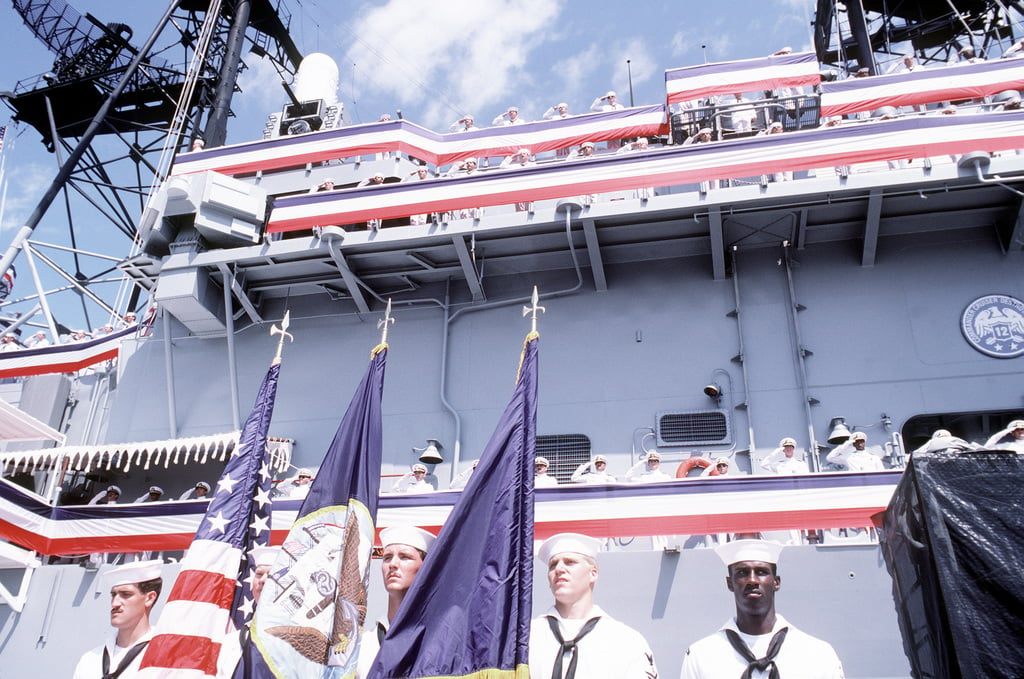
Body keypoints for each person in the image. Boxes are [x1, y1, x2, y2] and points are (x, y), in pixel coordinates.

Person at [679, 539, 844, 678]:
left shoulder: (817, 654)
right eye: (742, 572)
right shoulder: (702, 656)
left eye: (761, 572)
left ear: (776, 582)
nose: (752, 580)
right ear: (730, 583)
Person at [529, 533, 659, 678]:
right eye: (553, 565)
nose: (559, 569)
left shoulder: (625, 641)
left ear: (593, 574)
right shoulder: (529, 638)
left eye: (570, 562)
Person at [357, 525, 436, 678]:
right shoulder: (363, 646)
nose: (393, 564)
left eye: (404, 557)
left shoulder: (438, 642)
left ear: (425, 568)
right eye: (387, 557)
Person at [72, 559, 163, 679]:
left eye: (125, 594)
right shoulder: (90, 660)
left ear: (149, 598)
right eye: (113, 595)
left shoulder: (163, 659)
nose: (115, 603)